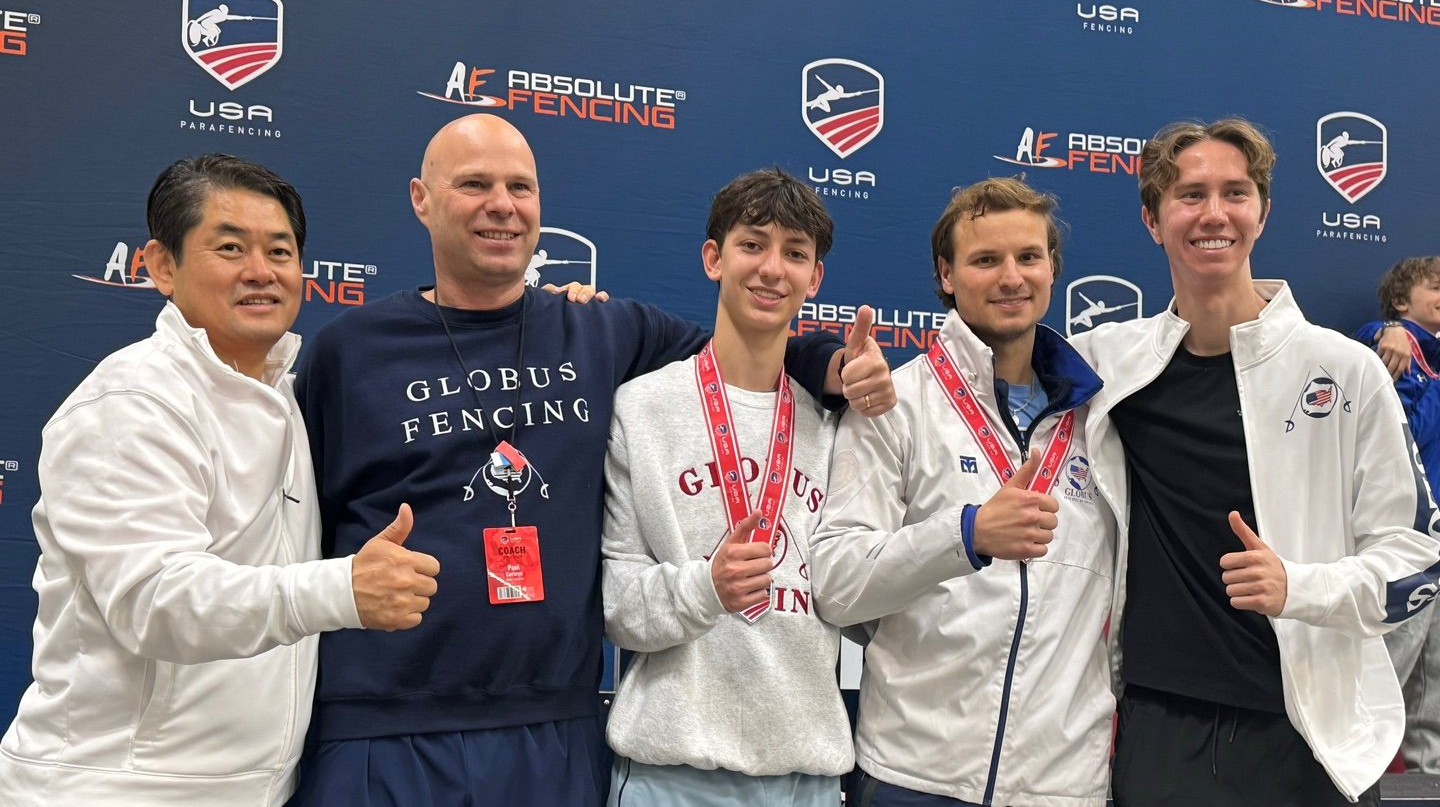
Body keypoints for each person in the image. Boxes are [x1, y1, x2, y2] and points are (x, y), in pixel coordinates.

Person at [288, 114, 893, 806]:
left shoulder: (602, 332)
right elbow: (295, 534)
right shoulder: (351, 350)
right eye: (474, 184)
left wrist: (832, 364)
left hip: (553, 724)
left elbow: (744, 345)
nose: (501, 205)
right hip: (385, 723)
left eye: (520, 186)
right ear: (422, 198)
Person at [0, 154, 438, 807]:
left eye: (280, 251)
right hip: (114, 790)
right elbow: (155, 600)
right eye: (230, 248)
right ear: (162, 266)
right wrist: (340, 589)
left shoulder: (286, 394)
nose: (261, 272)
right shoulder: (132, 403)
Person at [1070, 118, 1440, 806]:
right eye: (1190, 195)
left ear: (1263, 213)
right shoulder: (1107, 363)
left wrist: (1297, 587)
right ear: (1153, 219)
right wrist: (827, 365)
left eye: (1235, 193)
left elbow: (1416, 557)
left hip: (1310, 734)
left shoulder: (1345, 370)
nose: (1214, 214)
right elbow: (985, 364)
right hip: (1160, 725)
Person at [811, 176, 1117, 806]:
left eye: (1029, 257)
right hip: (915, 775)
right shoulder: (893, 404)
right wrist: (967, 535)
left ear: (1053, 269)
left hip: (1065, 785)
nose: (1011, 277)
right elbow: (837, 584)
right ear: (946, 274)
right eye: (986, 260)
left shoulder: (1106, 419)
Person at [601, 168, 857, 806]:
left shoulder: (838, 426)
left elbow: (862, 591)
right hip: (674, 775)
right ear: (714, 257)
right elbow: (616, 606)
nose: (773, 269)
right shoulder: (643, 409)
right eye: (753, 244)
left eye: (795, 253)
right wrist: (705, 588)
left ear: (815, 278)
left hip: (810, 778)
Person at [1354, 256, 1440, 773]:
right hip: (1409, 532)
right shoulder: (1391, 344)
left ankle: (1431, 773)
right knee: (1390, 659)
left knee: (1435, 666)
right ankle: (1356, 768)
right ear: (1403, 301)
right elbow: (1406, 434)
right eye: (1436, 286)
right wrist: (1390, 329)